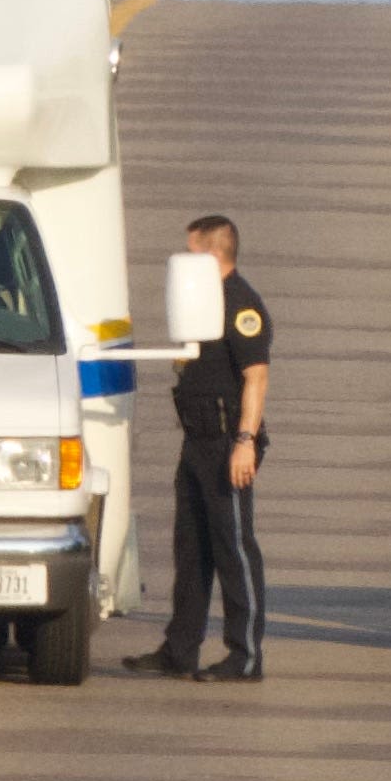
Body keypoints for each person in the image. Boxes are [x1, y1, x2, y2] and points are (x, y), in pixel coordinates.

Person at [119, 214, 270, 682]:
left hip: (228, 440)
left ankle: (244, 656)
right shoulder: (200, 301)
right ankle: (179, 648)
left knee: (234, 548)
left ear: (209, 255)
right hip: (197, 439)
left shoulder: (241, 305)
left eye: (189, 252)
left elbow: (256, 376)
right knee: (191, 549)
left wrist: (244, 442)